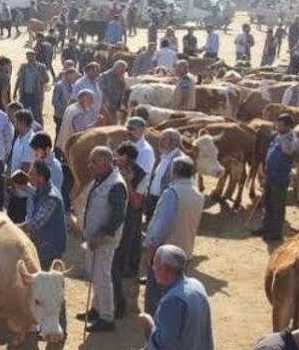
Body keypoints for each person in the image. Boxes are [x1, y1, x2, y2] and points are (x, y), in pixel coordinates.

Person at [138, 157, 204, 320]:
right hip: (185, 251)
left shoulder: (172, 193)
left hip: (164, 254)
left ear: (174, 172)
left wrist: (151, 249)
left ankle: (153, 339)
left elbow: (162, 226)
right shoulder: (198, 194)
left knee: (155, 301)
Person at [77, 146, 127, 333]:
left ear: (106, 163)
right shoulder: (100, 179)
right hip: (93, 238)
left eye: (94, 162)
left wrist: (100, 234)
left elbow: (117, 216)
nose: (89, 165)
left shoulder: (116, 185)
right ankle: (96, 310)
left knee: (103, 278)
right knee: (95, 275)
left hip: (104, 240)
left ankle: (107, 317)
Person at [111, 141, 148, 319]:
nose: (118, 160)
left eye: (121, 158)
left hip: (129, 226)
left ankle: (120, 306)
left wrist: (127, 181)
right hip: (116, 222)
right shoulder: (114, 168)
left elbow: (135, 203)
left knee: (118, 264)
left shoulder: (142, 176)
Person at [254, 113, 298, 242]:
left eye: (280, 125)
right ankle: (265, 227)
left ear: (288, 126)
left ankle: (275, 232)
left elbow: (287, 151)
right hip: (270, 174)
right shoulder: (278, 136)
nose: (277, 126)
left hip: (280, 177)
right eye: (277, 124)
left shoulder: (291, 138)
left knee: (277, 206)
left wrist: (285, 137)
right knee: (267, 204)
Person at [144, 128, 184, 220]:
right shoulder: (164, 156)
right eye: (160, 139)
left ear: (174, 142)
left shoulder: (180, 159)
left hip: (165, 202)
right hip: (153, 200)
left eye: (164, 139)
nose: (160, 142)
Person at [7, 110, 37, 223]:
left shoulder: (30, 142)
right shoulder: (19, 138)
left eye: (15, 122)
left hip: (23, 193)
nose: (13, 125)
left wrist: (11, 182)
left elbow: (26, 167)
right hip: (16, 189)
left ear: (23, 123)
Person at [56, 89, 102, 154]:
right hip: (70, 147)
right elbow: (82, 131)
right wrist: (96, 122)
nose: (92, 102)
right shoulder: (78, 114)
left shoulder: (72, 107)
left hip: (64, 144)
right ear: (83, 99)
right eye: (90, 99)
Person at [14, 51, 50, 125]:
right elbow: (18, 79)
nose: (30, 58)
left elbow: (47, 79)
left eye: (31, 56)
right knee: (23, 114)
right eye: (28, 56)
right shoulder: (23, 67)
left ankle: (39, 130)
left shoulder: (41, 67)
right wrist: (15, 91)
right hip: (25, 94)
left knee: (37, 115)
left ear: (35, 56)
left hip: (36, 95)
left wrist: (40, 78)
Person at [51, 67, 78, 140]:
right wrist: (65, 109)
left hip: (68, 116)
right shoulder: (59, 86)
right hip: (60, 115)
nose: (74, 78)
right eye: (73, 76)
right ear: (68, 75)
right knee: (59, 135)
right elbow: (54, 101)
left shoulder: (72, 86)